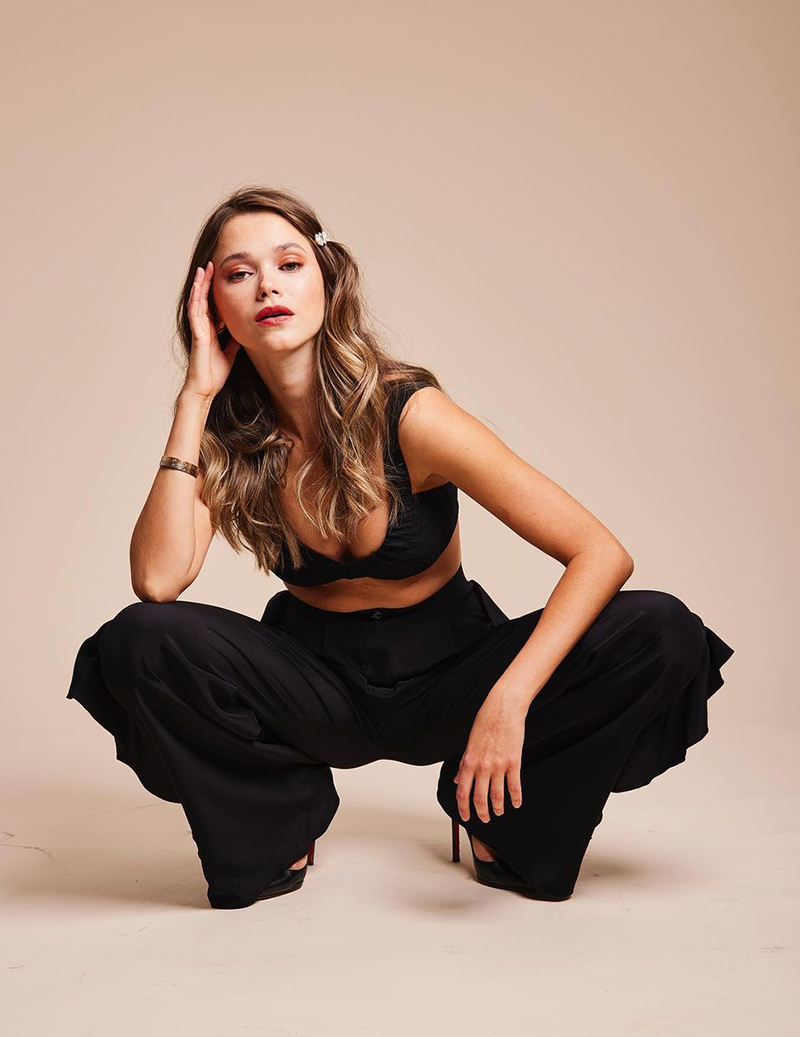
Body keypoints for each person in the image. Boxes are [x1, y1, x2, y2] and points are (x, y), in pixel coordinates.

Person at [66, 185, 735, 910]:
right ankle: (278, 815)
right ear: (212, 304)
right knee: (140, 638)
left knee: (660, 627)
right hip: (314, 687)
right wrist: (194, 400)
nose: (268, 287)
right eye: (239, 273)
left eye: (289, 264)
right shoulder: (227, 437)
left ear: (328, 280)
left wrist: (508, 700)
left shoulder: (409, 412)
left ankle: (503, 814)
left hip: (454, 677)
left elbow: (600, 553)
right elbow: (157, 581)